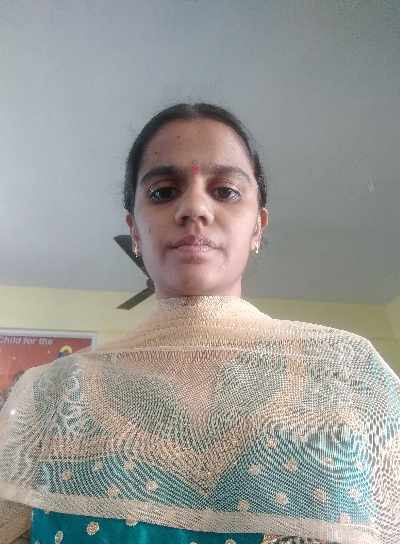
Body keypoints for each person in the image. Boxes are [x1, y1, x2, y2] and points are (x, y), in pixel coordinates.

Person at [0, 103, 399, 544]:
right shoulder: (49, 394)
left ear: (258, 226)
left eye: (225, 190)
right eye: (163, 192)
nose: (193, 207)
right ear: (135, 231)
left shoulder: (350, 373)